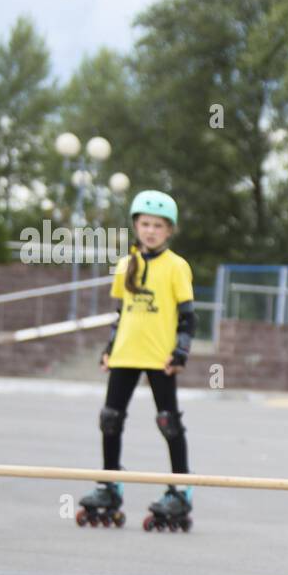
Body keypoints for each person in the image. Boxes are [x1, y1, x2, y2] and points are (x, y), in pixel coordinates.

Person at [75, 190, 196, 533]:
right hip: (126, 353)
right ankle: (109, 485)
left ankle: (180, 489)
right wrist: (109, 348)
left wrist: (180, 352)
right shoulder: (125, 265)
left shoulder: (177, 267)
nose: (151, 231)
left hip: (160, 357)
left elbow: (188, 319)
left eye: (158, 225)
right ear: (135, 226)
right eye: (145, 224)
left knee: (169, 422)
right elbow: (120, 314)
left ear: (169, 230)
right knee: (110, 419)